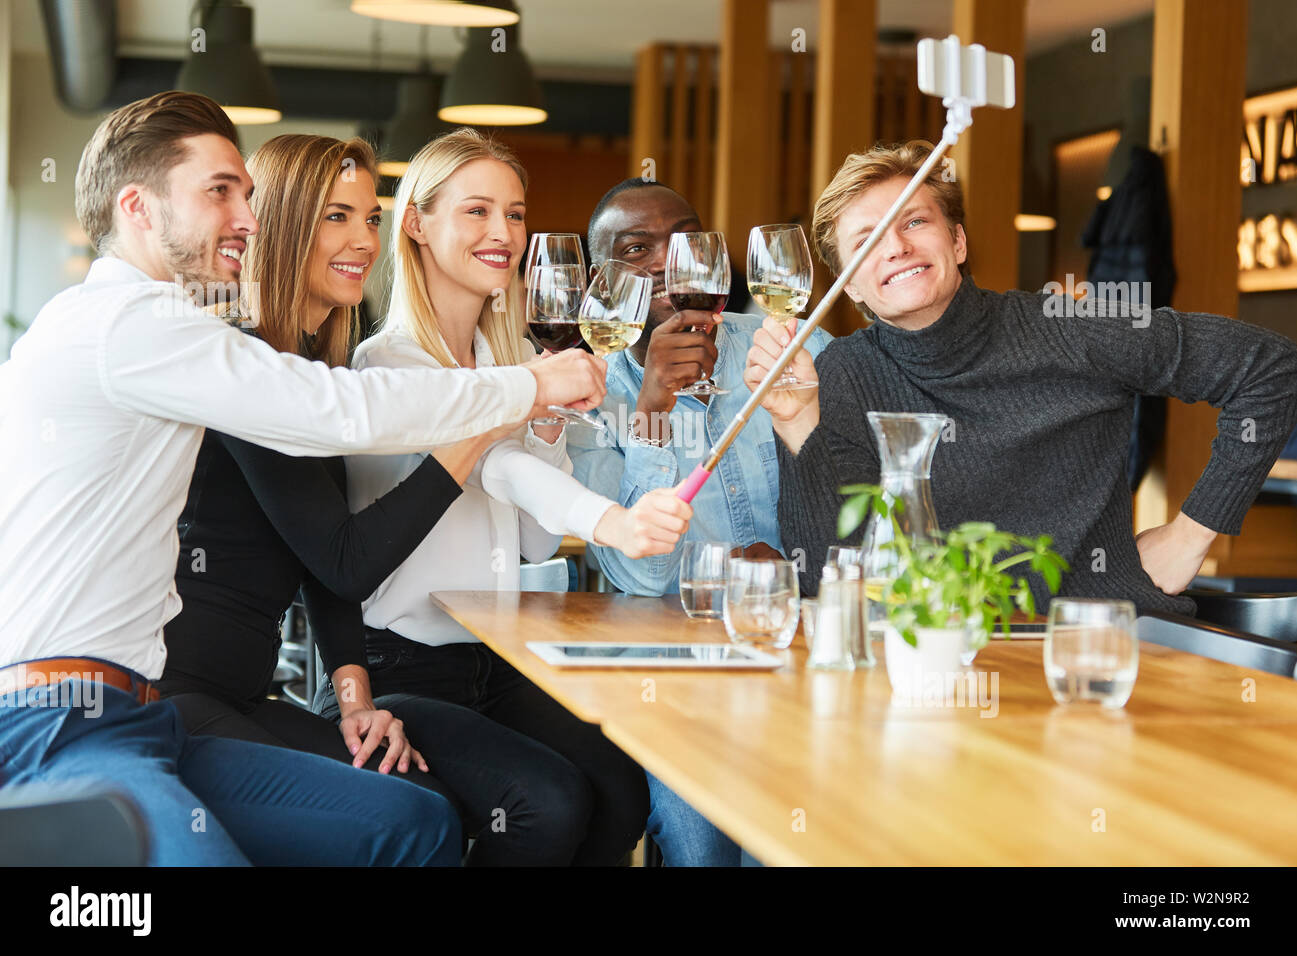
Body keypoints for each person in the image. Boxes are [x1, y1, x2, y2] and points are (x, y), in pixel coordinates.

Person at [0, 91, 606, 866]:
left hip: (142, 714)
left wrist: (351, 690)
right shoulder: (134, 325)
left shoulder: (164, 327)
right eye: (219, 190)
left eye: (247, 197)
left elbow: (323, 506)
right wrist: (528, 385)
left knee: (410, 822)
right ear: (138, 208)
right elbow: (339, 413)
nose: (246, 219)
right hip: (63, 720)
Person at [157, 134, 593, 866]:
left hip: (247, 695)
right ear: (283, 223)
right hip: (180, 697)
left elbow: (327, 569)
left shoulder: (311, 370)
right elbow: (351, 561)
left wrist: (356, 702)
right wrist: (474, 430)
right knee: (419, 818)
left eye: (369, 217)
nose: (364, 239)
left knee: (448, 802)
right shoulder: (249, 369)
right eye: (337, 217)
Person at [313, 128, 694, 866]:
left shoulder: (507, 360)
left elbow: (533, 544)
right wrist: (612, 521)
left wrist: (546, 425)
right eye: (478, 211)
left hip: (493, 659)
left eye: (515, 214)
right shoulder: (389, 363)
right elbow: (494, 467)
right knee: (547, 805)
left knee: (622, 788)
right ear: (416, 224)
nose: (504, 234)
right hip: (400, 666)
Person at [746, 140, 1297, 608]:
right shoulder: (838, 374)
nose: (896, 246)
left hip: (1095, 641)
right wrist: (799, 428)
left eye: (915, 220)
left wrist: (1191, 533)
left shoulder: (1070, 323)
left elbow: (1273, 369)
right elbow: (830, 584)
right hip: (933, 653)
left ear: (957, 242)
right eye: (866, 240)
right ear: (847, 284)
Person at [568, 178, 830, 867]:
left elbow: (862, 498)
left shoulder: (792, 346)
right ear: (601, 281)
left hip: (807, 663)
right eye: (635, 249)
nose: (663, 260)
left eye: (682, 240)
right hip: (673, 681)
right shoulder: (587, 397)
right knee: (703, 848)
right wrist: (655, 405)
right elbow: (639, 573)